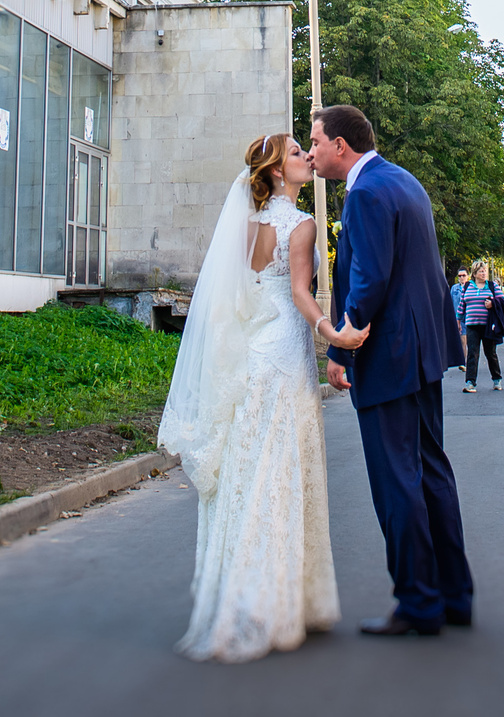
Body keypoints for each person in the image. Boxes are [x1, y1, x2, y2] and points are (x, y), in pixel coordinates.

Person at [157, 132, 348, 661]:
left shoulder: (244, 225)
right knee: (284, 466)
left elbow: (240, 291)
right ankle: (280, 600)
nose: (306, 158)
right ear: (276, 172)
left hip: (253, 351)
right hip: (285, 348)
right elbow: (300, 294)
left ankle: (242, 594)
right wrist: (331, 335)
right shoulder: (302, 225)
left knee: (251, 465)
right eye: (295, 154)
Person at [313, 103, 475, 636]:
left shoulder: (362, 194)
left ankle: (418, 603)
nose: (312, 152)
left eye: (315, 141)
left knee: (395, 482)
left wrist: (340, 350)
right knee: (431, 472)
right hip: (427, 353)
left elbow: (370, 278)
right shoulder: (405, 181)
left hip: (389, 357)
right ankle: (454, 596)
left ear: (341, 145)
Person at [458, 263, 504, 393]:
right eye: (480, 271)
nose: (483, 274)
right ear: (474, 273)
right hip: (472, 325)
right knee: (472, 353)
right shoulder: (468, 286)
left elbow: (502, 301)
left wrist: (492, 303)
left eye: (485, 271)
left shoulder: (492, 286)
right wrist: (458, 319)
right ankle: (470, 382)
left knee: (491, 353)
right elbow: (462, 304)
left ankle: (497, 379)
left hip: (488, 326)